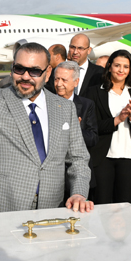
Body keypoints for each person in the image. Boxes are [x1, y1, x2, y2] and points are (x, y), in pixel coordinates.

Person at [0, 29, 93, 213]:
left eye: (35, 71)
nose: (26, 76)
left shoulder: (65, 108)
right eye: (20, 69)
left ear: (48, 71)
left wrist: (79, 193)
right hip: (4, 207)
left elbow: (78, 158)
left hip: (51, 208)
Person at [85, 49, 131, 205]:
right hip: (103, 158)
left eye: (126, 66)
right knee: (101, 205)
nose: (121, 70)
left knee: (126, 207)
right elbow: (90, 126)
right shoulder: (94, 92)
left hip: (130, 159)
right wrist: (118, 119)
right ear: (109, 67)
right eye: (117, 65)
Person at [53, 61, 98, 200]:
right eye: (56, 79)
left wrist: (75, 130)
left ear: (76, 82)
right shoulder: (45, 103)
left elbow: (93, 138)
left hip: (78, 175)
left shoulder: (86, 105)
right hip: (53, 177)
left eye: (64, 80)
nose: (59, 84)